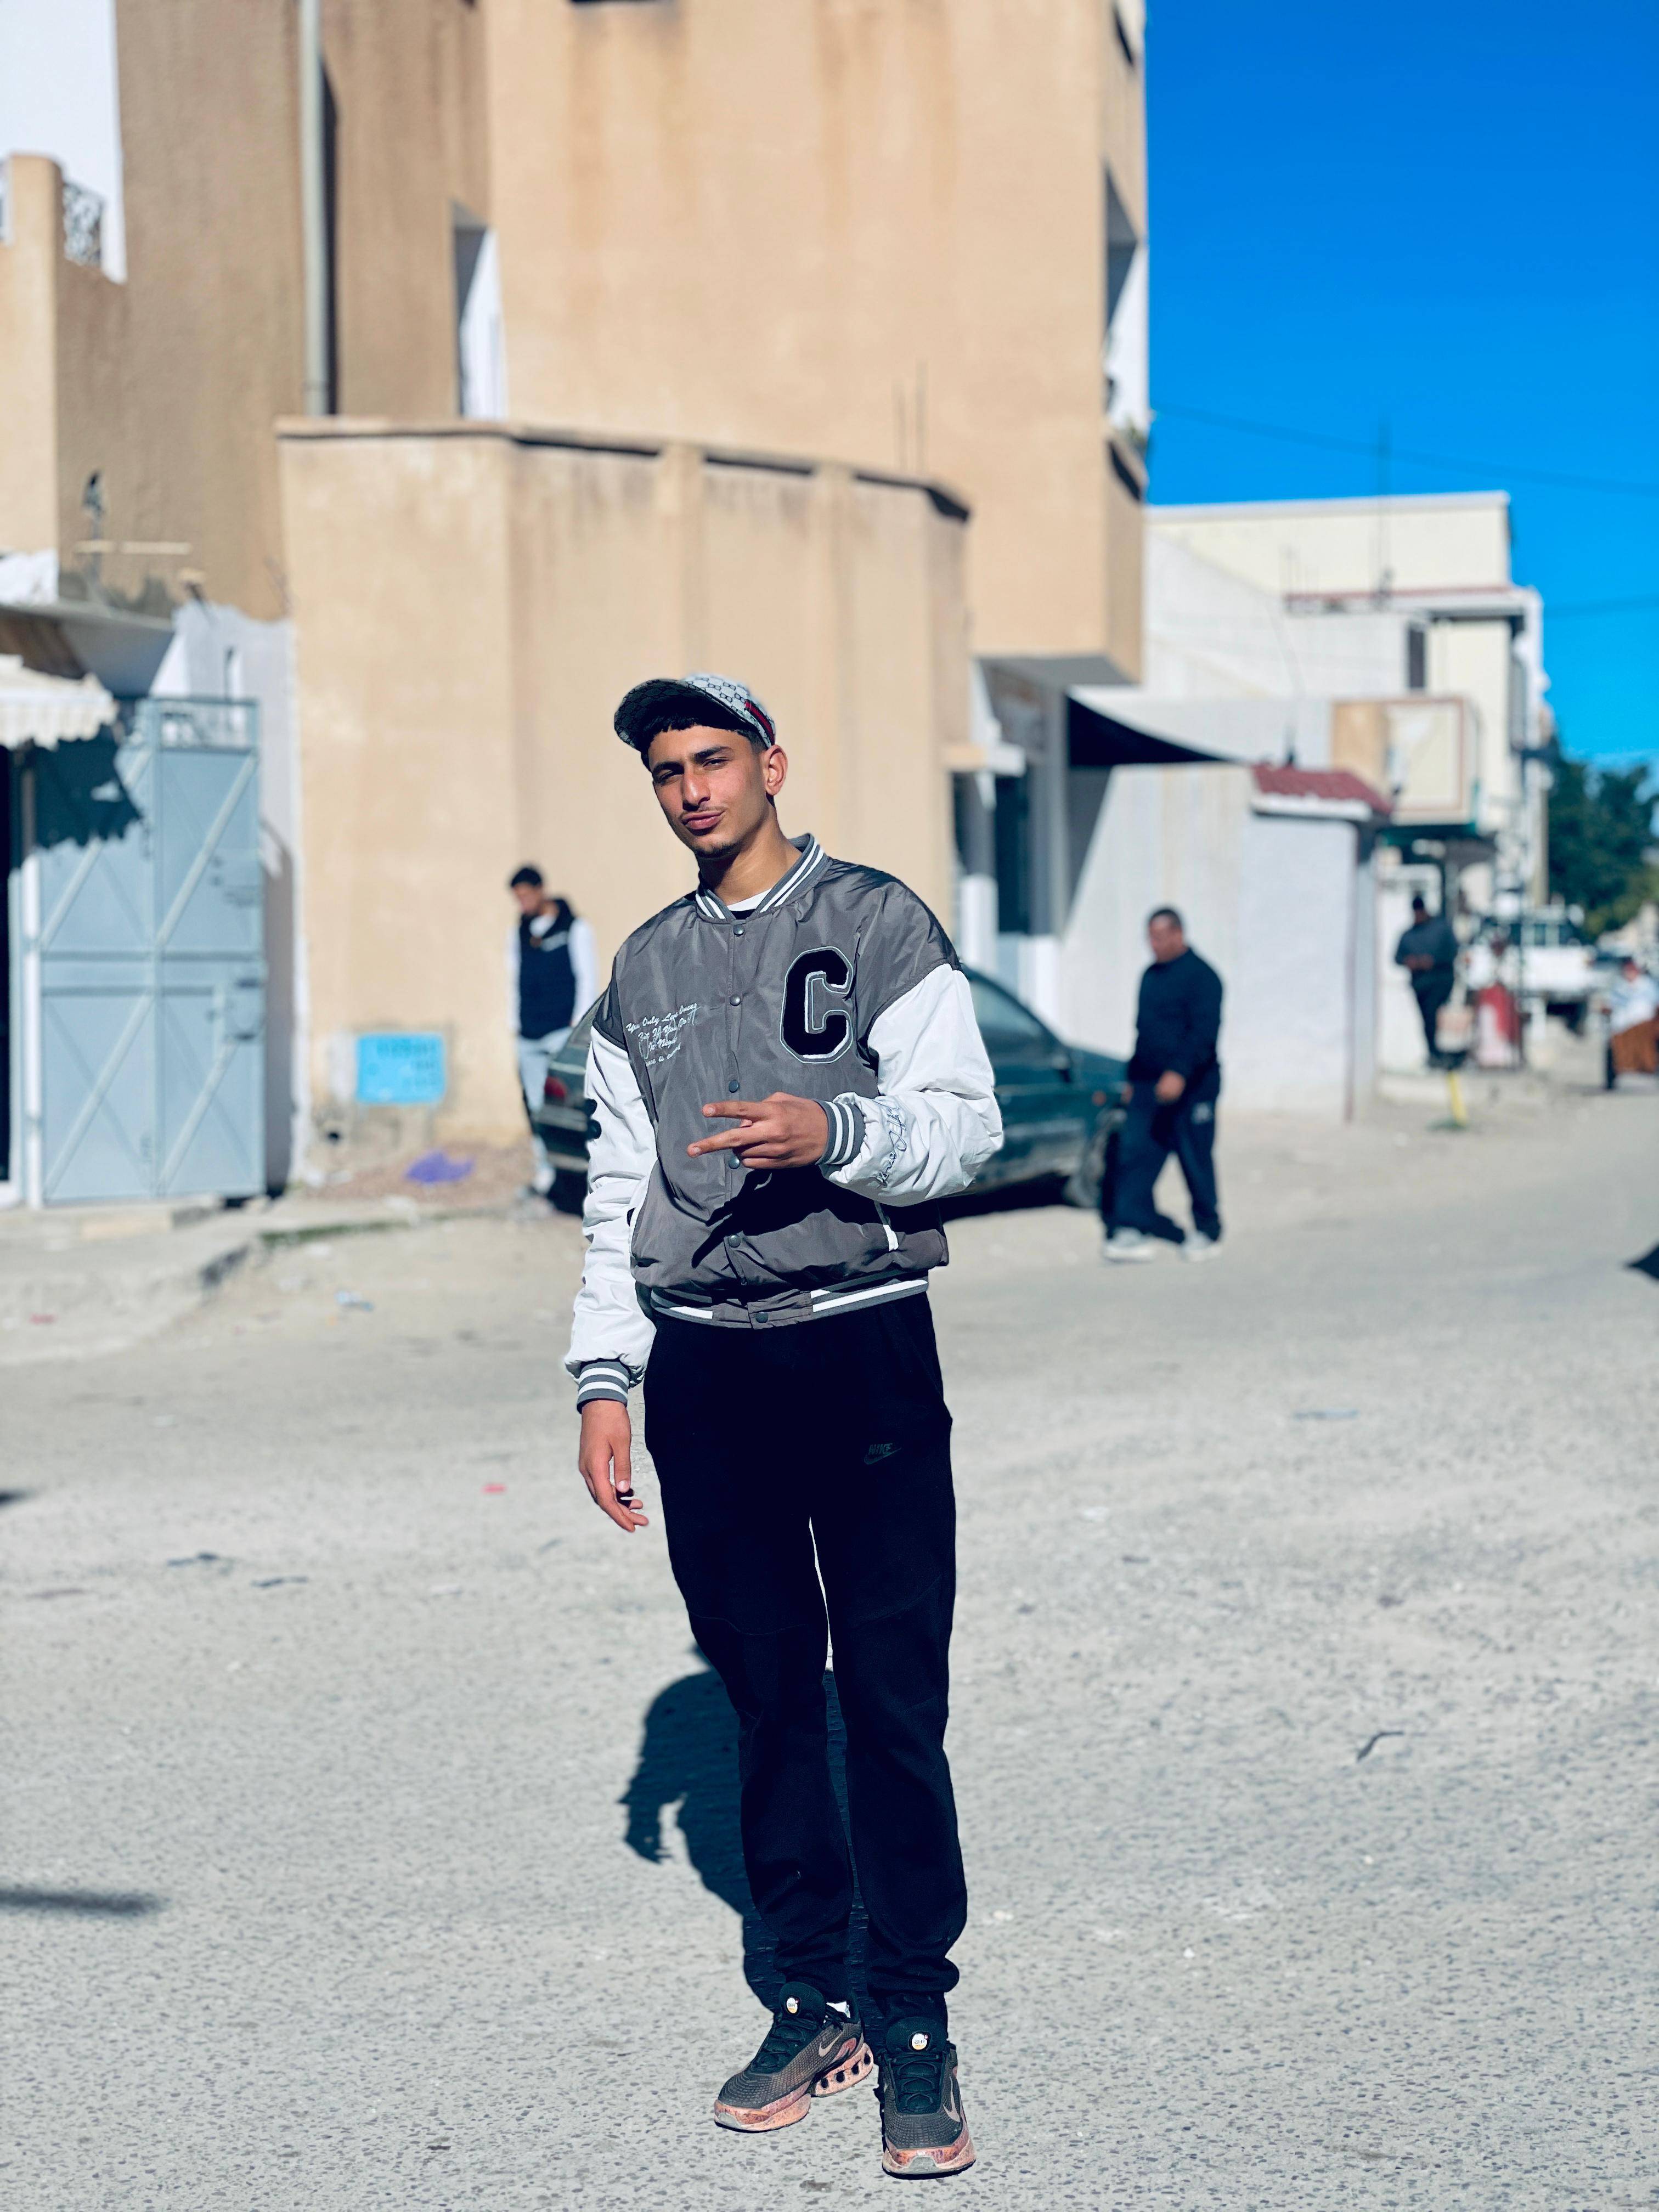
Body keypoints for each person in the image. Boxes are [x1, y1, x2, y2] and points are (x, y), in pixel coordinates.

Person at [566, 672, 1001, 2180]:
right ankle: (813, 1998)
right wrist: (604, 1376)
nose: (690, 788)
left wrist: (840, 1133)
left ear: (772, 765)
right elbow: (618, 1188)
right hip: (708, 1368)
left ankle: (914, 2010)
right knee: (765, 1698)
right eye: (665, 770)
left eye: (712, 759)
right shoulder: (644, 970)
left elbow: (966, 1126)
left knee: (887, 1696)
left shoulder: (878, 922)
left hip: (859, 1344)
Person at [1105, 906, 1223, 1263]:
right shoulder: (1150, 976)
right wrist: (1132, 1076)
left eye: (1159, 937)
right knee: (1135, 1153)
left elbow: (1203, 1035)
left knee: (1194, 1158)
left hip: (1193, 1087)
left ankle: (1208, 1231)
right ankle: (1131, 1227)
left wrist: (1179, 1073)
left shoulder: (1204, 977)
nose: (1153, 945)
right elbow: (1143, 1032)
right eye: (1150, 938)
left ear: (1178, 934)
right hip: (1147, 1084)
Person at [507, 866, 596, 1196]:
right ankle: (547, 1173)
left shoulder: (574, 927)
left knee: (574, 1106)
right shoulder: (519, 932)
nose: (523, 903)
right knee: (536, 1106)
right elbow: (513, 978)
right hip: (529, 1034)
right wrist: (515, 1025)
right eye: (517, 898)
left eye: (526, 895)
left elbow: (586, 977)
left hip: (562, 1033)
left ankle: (586, 1175)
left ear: (540, 890)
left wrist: (577, 1027)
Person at [1393, 894, 1459, 1065]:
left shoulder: (1441, 929)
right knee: (1427, 1020)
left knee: (1435, 1016)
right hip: (1421, 986)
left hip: (1440, 982)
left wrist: (1433, 961)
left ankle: (1441, 1053)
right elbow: (1397, 958)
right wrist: (1411, 962)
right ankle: (1433, 1053)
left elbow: (1453, 951)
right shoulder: (1409, 935)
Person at [1605, 956, 1659, 1088]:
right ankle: (1624, 1062)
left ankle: (1648, 1062)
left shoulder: (1648, 985)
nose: (1630, 974)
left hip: (1646, 1023)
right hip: (1623, 1024)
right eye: (1627, 970)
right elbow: (1610, 1003)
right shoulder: (1619, 986)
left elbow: (1654, 1003)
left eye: (1632, 970)